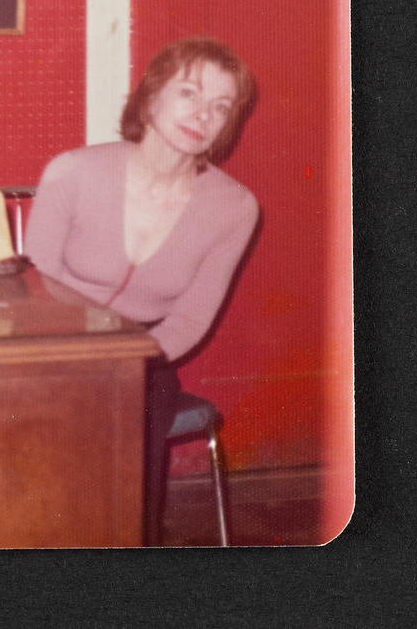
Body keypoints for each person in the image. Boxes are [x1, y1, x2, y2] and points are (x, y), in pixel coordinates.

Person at [24, 37, 259, 544]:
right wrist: (78, 356)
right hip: (49, 343)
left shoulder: (235, 207)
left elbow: (192, 320)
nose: (203, 114)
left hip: (145, 357)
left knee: (133, 413)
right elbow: (35, 280)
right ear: (151, 95)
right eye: (190, 93)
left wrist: (128, 359)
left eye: (220, 106)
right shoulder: (74, 170)